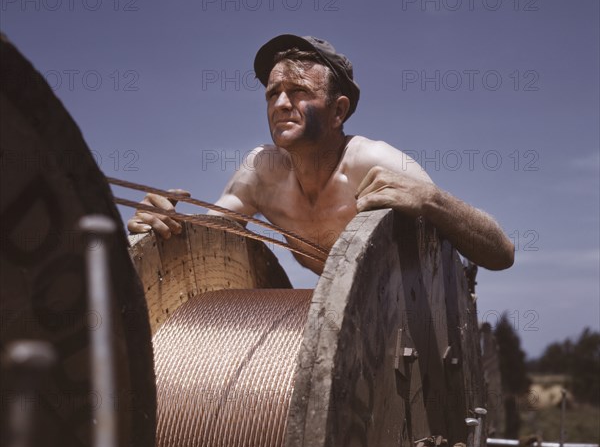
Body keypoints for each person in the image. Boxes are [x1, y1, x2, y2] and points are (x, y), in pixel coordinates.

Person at [127, 34, 514, 275]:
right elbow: (209, 234)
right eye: (272, 93)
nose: (280, 103)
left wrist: (432, 200)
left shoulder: (373, 162)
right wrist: (164, 223)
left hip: (416, 327)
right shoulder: (262, 170)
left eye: (298, 91)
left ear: (338, 111)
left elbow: (502, 253)